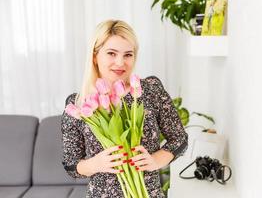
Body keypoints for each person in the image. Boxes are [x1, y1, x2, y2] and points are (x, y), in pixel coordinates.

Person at [61, 19, 188, 198]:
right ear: (95, 56)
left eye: (128, 54)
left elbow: (179, 139)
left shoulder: (150, 89)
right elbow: (71, 164)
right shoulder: (80, 103)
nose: (120, 63)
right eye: (111, 53)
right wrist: (95, 164)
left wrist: (154, 161)